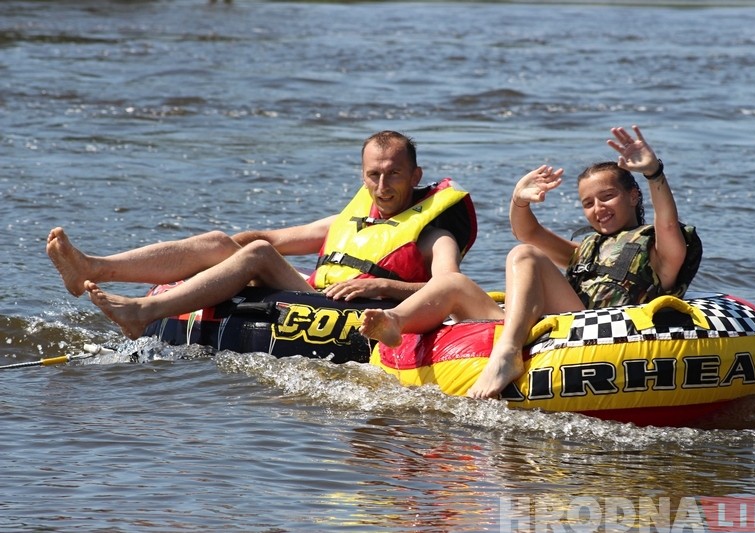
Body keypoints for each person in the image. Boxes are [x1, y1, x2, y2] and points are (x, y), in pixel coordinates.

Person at [359, 125, 701, 399]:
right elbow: (529, 232)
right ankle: (394, 321)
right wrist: (519, 200)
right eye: (588, 203)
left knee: (524, 257)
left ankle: (506, 355)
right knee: (454, 283)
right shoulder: (586, 250)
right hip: (547, 334)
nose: (598, 208)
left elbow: (667, 223)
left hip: (599, 340)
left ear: (633, 195)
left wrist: (654, 173)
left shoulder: (659, 251)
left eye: (607, 196)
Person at [47, 131, 477, 339]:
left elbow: (447, 287)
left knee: (256, 255)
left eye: (394, 174)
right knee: (225, 242)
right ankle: (92, 268)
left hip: (359, 316)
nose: (383, 186)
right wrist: (215, 256)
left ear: (415, 175)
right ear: (362, 176)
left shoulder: (432, 234)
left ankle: (144, 312)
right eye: (374, 175)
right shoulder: (353, 218)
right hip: (313, 297)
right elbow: (272, 236)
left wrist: (384, 285)